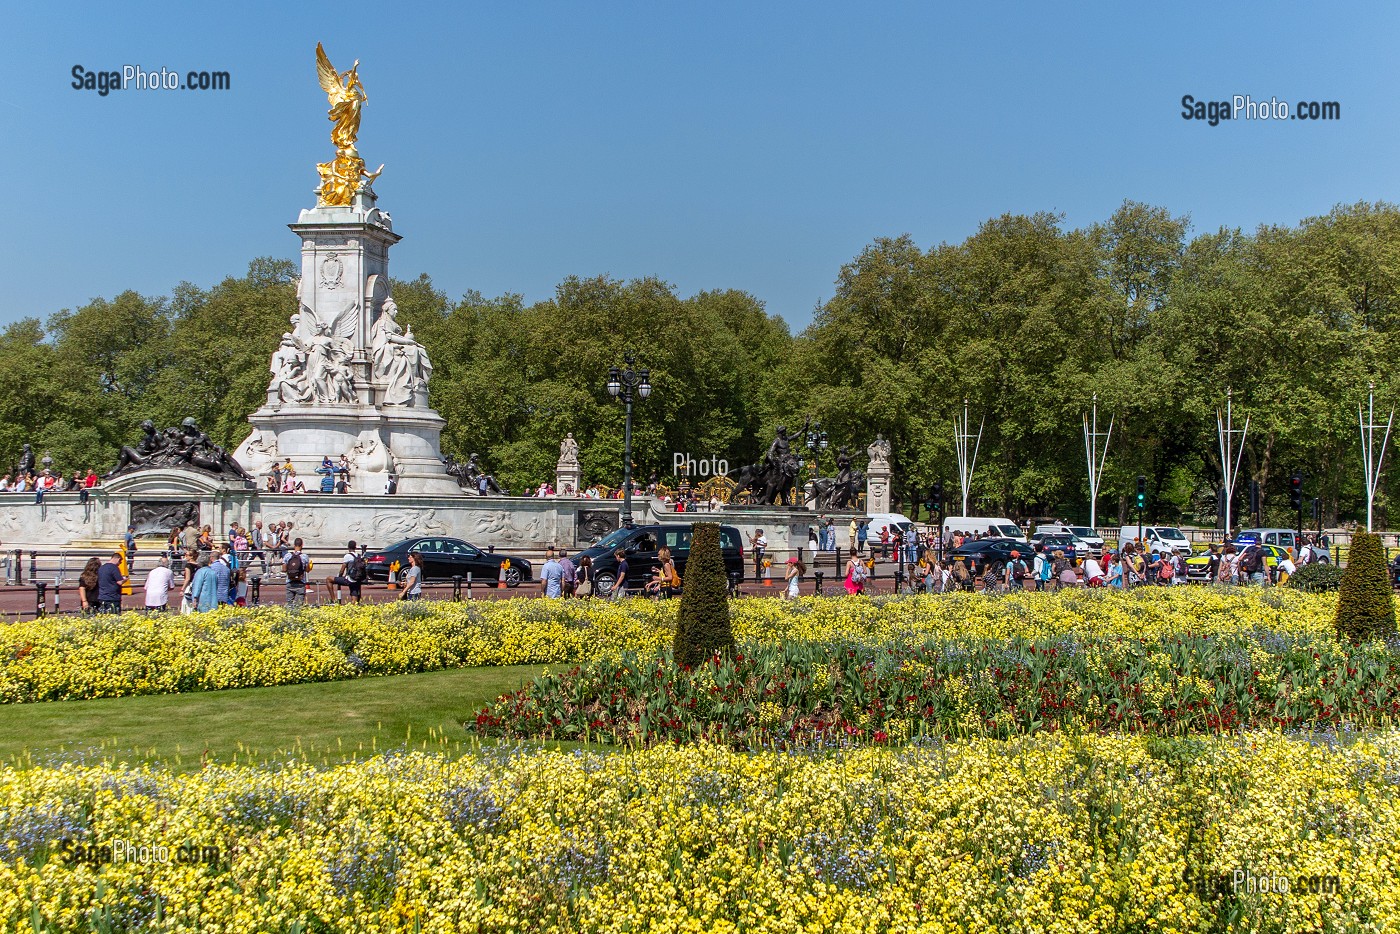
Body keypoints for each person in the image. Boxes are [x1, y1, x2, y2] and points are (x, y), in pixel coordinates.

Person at [283, 538, 308, 607]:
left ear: (294, 545)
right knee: (299, 605)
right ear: (302, 545)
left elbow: (284, 569)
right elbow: (307, 569)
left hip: (289, 581)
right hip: (300, 582)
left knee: (289, 604)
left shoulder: (287, 556)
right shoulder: (304, 557)